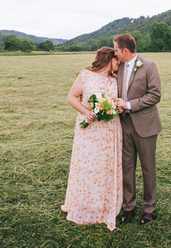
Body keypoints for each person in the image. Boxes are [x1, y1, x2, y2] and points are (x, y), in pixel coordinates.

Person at [61, 47, 123, 231]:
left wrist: (116, 107)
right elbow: (71, 97)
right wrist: (87, 112)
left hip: (110, 130)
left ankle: (104, 205)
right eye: (116, 59)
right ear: (108, 58)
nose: (119, 62)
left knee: (106, 166)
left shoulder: (115, 79)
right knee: (88, 166)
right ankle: (85, 203)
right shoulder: (86, 75)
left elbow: (116, 101)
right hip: (89, 130)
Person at [113, 33, 162, 226]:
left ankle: (149, 209)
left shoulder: (149, 66)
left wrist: (129, 105)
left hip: (146, 125)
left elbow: (155, 95)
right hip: (124, 125)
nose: (114, 53)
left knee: (148, 169)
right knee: (127, 168)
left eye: (116, 50)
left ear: (125, 50)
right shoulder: (119, 67)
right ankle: (128, 208)